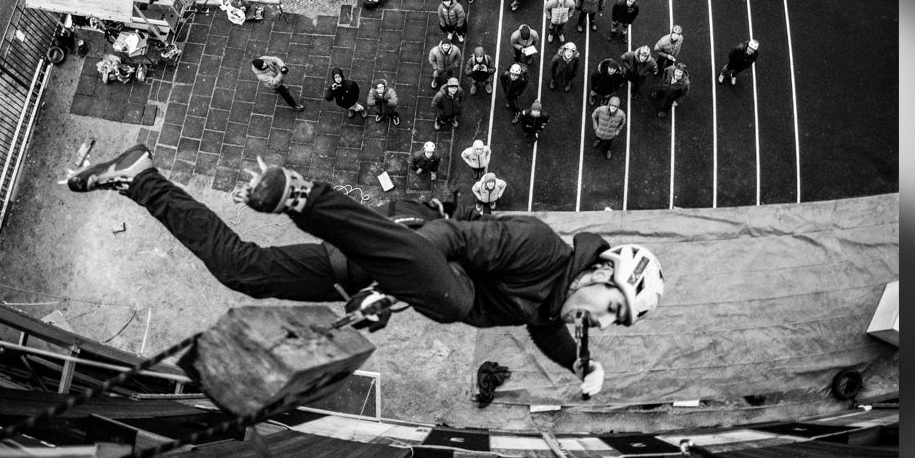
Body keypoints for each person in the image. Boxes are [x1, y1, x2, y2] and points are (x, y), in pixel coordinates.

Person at [65, 147, 661, 394]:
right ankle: (302, 197)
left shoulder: (557, 301)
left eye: (616, 322)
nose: (605, 322)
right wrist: (385, 281)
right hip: (400, 249)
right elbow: (449, 235)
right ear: (598, 275)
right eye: (613, 309)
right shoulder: (538, 248)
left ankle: (140, 177)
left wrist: (583, 362)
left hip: (388, 276)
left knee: (238, 269)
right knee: (453, 301)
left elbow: (548, 329)